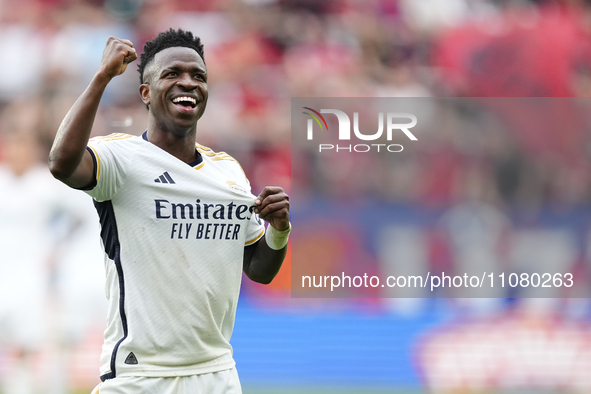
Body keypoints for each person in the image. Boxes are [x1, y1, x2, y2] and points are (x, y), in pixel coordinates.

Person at [48, 29, 290, 394]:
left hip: (217, 374)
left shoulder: (228, 172)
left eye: (198, 76)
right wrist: (102, 78)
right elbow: (62, 163)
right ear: (146, 93)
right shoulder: (120, 160)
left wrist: (279, 229)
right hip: (138, 376)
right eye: (172, 74)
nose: (188, 82)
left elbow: (259, 269)